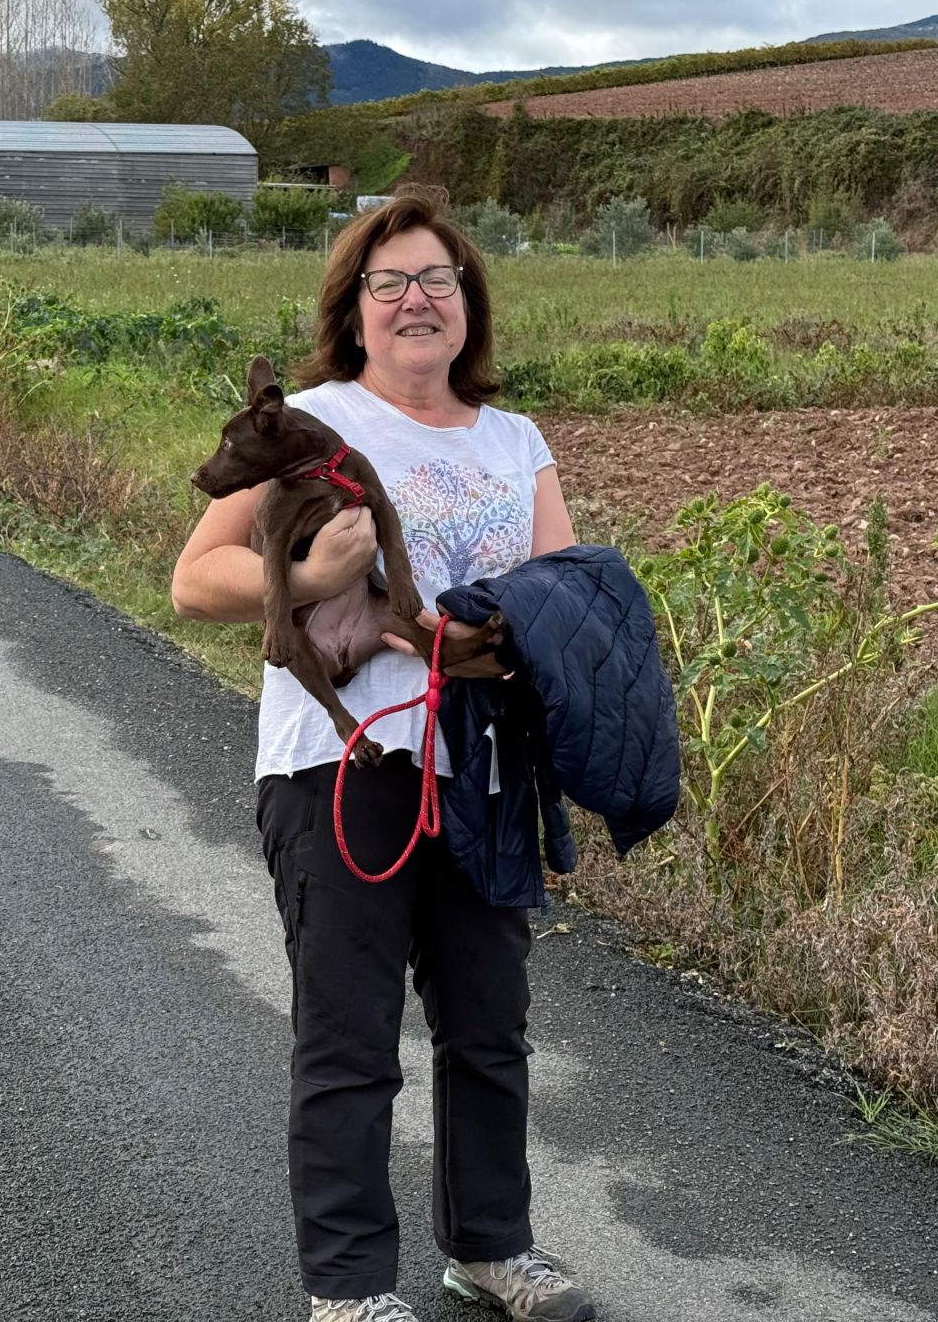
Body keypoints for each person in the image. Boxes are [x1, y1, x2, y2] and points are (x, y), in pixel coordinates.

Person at [172, 189, 594, 1322]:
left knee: (489, 1029)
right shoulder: (309, 421)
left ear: (470, 309)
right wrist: (307, 582)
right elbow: (195, 577)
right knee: (351, 1037)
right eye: (391, 283)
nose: (418, 302)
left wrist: (519, 648)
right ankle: (351, 1289)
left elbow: (559, 594)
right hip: (340, 768)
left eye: (439, 283)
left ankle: (490, 1248)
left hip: (483, 770)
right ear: (355, 311)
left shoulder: (516, 442)